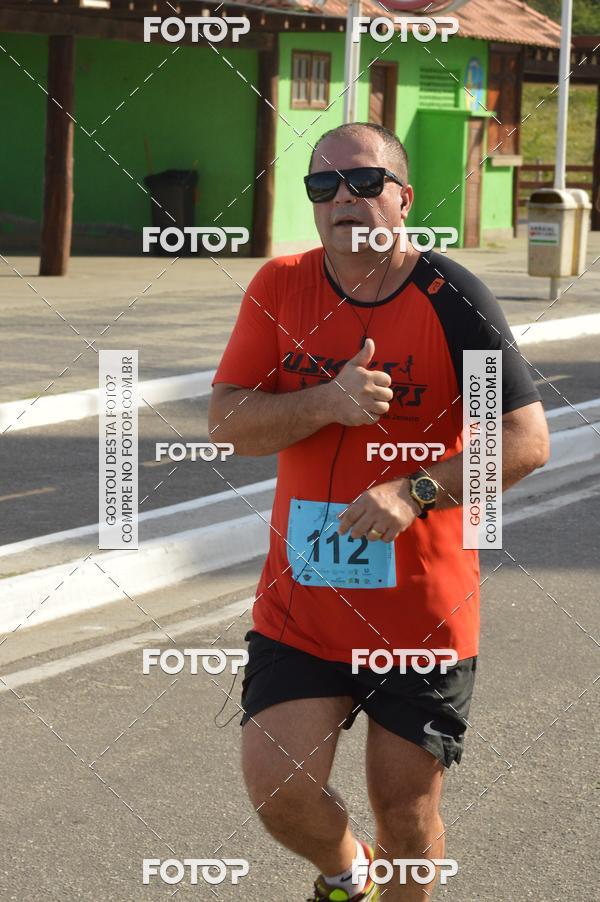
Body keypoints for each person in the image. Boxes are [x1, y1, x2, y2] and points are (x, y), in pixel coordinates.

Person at [208, 122, 549, 901]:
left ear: (403, 198)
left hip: (420, 618)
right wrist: (327, 401)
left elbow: (525, 442)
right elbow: (227, 424)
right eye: (322, 186)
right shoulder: (280, 288)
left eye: (363, 182)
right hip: (304, 605)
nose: (343, 201)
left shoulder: (453, 298)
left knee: (404, 812)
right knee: (278, 790)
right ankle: (346, 875)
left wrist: (414, 490)